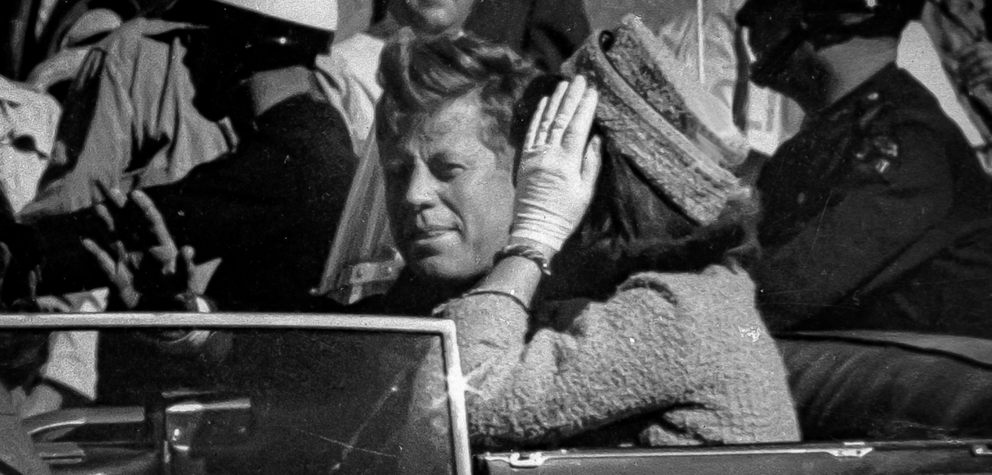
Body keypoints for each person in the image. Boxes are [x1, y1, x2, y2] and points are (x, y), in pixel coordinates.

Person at [87, 30, 800, 449]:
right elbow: (328, 375)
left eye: (448, 169)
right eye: (399, 173)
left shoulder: (657, 306)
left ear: (538, 174)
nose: (414, 198)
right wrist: (190, 329)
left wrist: (530, 242)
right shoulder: (463, 295)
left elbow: (459, 405)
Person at [21, 0, 358, 313]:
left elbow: (159, 218)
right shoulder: (319, 132)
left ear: (239, 47)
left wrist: (17, 250)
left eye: (199, 39)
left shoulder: (290, 157)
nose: (184, 56)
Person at [737, 0, 992, 337]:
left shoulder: (907, 138)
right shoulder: (827, 137)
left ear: (831, 22)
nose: (747, 19)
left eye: (769, 5)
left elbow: (785, 293)